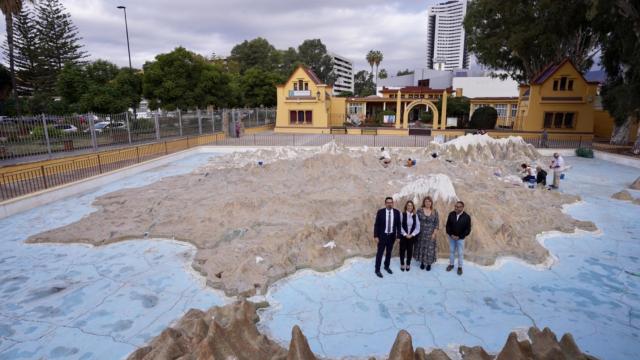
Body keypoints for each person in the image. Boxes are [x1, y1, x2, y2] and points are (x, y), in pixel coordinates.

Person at [373, 197, 401, 278]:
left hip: (391, 236)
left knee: (389, 253)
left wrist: (398, 236)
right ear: (385, 203)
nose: (389, 204)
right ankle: (377, 269)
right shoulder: (380, 212)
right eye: (388, 202)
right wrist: (375, 236)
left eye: (391, 202)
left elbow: (399, 225)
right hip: (382, 236)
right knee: (380, 253)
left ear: (393, 203)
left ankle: (386, 266)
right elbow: (376, 224)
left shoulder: (396, 212)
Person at [445, 201, 471, 275]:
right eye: (455, 206)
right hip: (452, 238)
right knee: (452, 251)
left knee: (460, 253)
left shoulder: (467, 217)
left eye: (458, 207)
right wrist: (451, 234)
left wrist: (459, 236)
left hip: (461, 239)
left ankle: (460, 267)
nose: (456, 208)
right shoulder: (451, 214)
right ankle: (451, 265)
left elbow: (468, 230)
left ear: (462, 207)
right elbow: (448, 226)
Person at [414, 196, 439, 271]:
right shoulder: (419, 210)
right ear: (424, 202)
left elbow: (436, 223)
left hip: (431, 234)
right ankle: (422, 262)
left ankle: (429, 264)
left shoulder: (435, 211)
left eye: (429, 201)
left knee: (430, 249)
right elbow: (415, 221)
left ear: (431, 202)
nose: (428, 203)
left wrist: (434, 233)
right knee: (422, 247)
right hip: (421, 234)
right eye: (426, 201)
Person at [399, 200, 420, 272]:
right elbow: (400, 226)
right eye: (408, 205)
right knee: (402, 250)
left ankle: (408, 264)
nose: (410, 207)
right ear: (406, 206)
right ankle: (402, 263)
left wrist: (412, 235)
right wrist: (405, 234)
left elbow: (418, 227)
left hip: (411, 236)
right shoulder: (402, 214)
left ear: (413, 207)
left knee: (410, 251)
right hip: (403, 236)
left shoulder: (415, 215)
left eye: (411, 205)